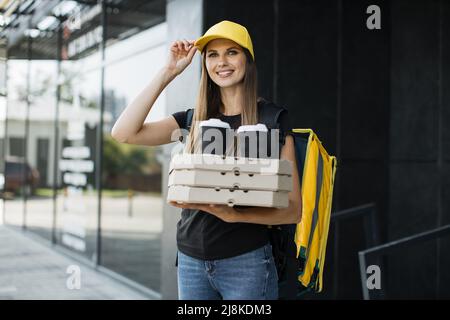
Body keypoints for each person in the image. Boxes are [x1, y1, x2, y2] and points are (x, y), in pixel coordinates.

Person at [111, 20, 302, 300]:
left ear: (247, 60)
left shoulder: (272, 120)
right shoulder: (191, 120)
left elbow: (293, 209)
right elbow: (124, 133)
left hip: (246, 263)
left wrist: (235, 215)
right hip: (191, 262)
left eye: (231, 52)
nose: (221, 62)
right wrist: (167, 73)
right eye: (212, 55)